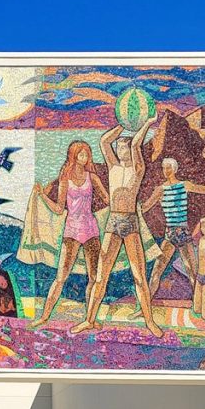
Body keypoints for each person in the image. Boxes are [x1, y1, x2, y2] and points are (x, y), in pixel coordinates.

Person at [70, 115, 162, 337]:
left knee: (139, 276)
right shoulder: (113, 167)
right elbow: (103, 141)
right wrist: (122, 123)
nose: (120, 149)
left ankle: (149, 321)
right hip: (113, 222)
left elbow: (138, 143)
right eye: (119, 146)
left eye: (124, 146)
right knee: (101, 276)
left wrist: (146, 123)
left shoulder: (138, 169)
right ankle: (89, 320)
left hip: (130, 222)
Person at [29, 140, 110, 328]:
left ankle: (90, 318)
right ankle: (44, 316)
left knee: (94, 278)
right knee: (61, 277)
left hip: (91, 230)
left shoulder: (93, 177)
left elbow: (107, 199)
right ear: (74, 156)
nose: (86, 157)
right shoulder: (65, 179)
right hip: (72, 231)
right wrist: (41, 195)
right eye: (82, 154)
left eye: (87, 154)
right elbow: (58, 209)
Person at [140, 153, 205, 305]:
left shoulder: (184, 185)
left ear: (175, 169)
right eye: (164, 168)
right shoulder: (160, 189)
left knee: (192, 271)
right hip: (170, 234)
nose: (166, 171)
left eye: (168, 168)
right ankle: (144, 307)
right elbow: (145, 207)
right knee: (157, 271)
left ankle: (199, 305)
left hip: (183, 233)